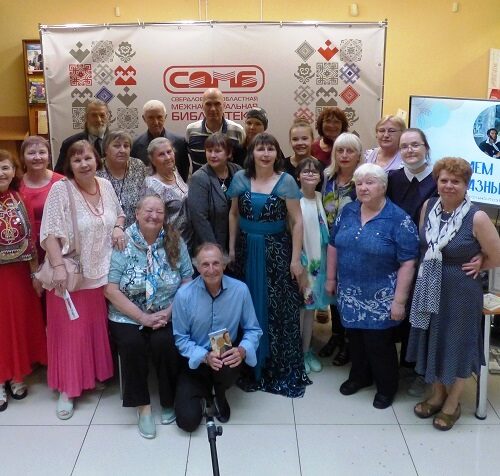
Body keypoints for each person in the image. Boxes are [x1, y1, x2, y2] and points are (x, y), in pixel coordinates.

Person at [407, 158, 500, 431]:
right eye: (444, 180)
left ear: (466, 185)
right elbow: (425, 246)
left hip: (461, 290)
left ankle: (453, 402)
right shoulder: (428, 207)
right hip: (429, 284)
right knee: (433, 339)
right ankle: (437, 394)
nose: (449, 185)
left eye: (456, 181)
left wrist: (481, 262)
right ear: (437, 182)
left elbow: (497, 255)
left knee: (457, 343)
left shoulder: (477, 217)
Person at [40, 139, 126, 420]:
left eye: (87, 158)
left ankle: (89, 377)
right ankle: (67, 389)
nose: (84, 164)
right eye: (77, 160)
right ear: (69, 164)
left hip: (100, 274)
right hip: (71, 275)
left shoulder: (106, 185)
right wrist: (58, 267)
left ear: (96, 159)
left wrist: (118, 227)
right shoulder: (60, 190)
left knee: (92, 330)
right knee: (69, 334)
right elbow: (49, 234)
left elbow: (120, 214)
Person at [326, 163, 419, 409]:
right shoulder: (348, 211)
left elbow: (408, 262)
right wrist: (330, 279)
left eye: (370, 182)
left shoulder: (398, 219)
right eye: (359, 183)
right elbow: (333, 244)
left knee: (379, 344)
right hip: (349, 293)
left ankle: (387, 387)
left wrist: (399, 301)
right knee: (355, 338)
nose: (363, 188)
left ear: (383, 186)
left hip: (381, 297)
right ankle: (360, 376)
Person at [227, 132, 311, 397]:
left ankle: (272, 365)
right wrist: (231, 248)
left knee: (277, 306)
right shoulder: (240, 178)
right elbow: (233, 214)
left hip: (276, 251)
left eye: (270, 149)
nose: (265, 154)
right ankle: (248, 363)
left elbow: (297, 221)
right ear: (251, 153)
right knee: (247, 303)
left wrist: (295, 259)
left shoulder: (286, 181)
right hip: (245, 251)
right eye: (260, 149)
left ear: (277, 154)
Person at [105, 194, 193, 439]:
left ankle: (168, 400)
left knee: (165, 342)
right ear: (137, 214)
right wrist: (142, 318)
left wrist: (170, 311)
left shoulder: (174, 240)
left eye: (159, 212)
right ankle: (142, 406)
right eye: (148, 211)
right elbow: (110, 289)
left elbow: (187, 280)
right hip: (127, 314)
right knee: (132, 345)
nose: (154, 216)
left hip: (165, 311)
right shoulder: (123, 241)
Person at [172, 243, 262, 432]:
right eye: (205, 264)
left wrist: (242, 350)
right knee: (187, 422)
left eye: (216, 263)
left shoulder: (240, 290)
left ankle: (219, 392)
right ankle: (205, 392)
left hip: (225, 356)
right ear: (197, 267)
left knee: (230, 363)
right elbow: (181, 339)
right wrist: (205, 357)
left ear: (224, 264)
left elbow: (253, 330)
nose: (211, 270)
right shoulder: (183, 295)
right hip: (196, 359)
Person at [386, 128, 438, 396]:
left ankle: (416, 367)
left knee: (419, 313)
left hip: (427, 259)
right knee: (395, 308)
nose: (410, 150)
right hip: (392, 256)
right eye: (404, 146)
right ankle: (392, 363)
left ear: (426, 147)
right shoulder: (391, 179)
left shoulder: (439, 180)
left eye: (415, 145)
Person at [0, 150, 47, 412]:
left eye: (5, 168)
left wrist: (34, 274)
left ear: (14, 171)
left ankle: (16, 374)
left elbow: (31, 240)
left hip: (19, 274)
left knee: (16, 325)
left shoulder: (21, 198)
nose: (1, 173)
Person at [319, 132, 363, 366]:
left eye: (350, 151)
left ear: (359, 155)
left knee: (349, 293)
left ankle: (348, 341)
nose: (344, 155)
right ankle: (336, 334)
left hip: (353, 247)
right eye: (340, 150)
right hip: (329, 243)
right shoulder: (327, 177)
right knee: (333, 291)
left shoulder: (363, 179)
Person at [297, 158, 334, 374]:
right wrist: (299, 264)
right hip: (304, 263)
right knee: (301, 311)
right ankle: (297, 353)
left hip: (321, 262)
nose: (310, 174)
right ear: (298, 176)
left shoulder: (321, 197)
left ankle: (307, 350)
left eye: (314, 171)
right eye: (306, 171)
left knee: (311, 311)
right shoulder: (295, 200)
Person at [188, 133, 241, 252]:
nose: (212, 155)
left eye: (217, 151)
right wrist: (215, 250)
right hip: (211, 245)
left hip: (236, 243)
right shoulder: (199, 178)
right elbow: (199, 219)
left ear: (229, 153)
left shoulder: (238, 171)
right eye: (209, 150)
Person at [143, 137, 192, 250]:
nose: (168, 157)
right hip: (170, 246)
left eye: (169, 152)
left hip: (189, 240)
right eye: (161, 154)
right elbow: (151, 223)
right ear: (152, 160)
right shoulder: (151, 186)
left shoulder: (174, 171)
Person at [19, 136, 63, 260]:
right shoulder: (15, 184)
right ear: (22, 157)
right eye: (31, 153)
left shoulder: (61, 182)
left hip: (56, 246)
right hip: (24, 249)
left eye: (42, 152)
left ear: (49, 157)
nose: (37, 157)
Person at [186, 88, 245, 172]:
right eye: (208, 104)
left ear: (224, 105)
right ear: (202, 106)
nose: (213, 109)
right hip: (199, 180)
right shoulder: (191, 130)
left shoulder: (237, 131)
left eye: (217, 104)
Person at [96, 130, 146, 227]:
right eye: (116, 146)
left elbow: (147, 198)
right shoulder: (96, 169)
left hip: (135, 230)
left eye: (126, 146)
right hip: (106, 229)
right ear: (106, 149)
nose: (122, 150)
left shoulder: (138, 166)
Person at [131, 100, 190, 181]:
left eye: (159, 117)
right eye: (151, 118)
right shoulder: (135, 145)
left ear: (165, 117)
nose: (156, 122)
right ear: (144, 119)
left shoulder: (180, 142)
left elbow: (184, 170)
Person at [54, 99, 109, 173]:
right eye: (94, 115)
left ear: (108, 117)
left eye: (102, 115)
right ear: (86, 117)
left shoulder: (117, 142)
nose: (98, 120)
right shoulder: (69, 143)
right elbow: (60, 173)